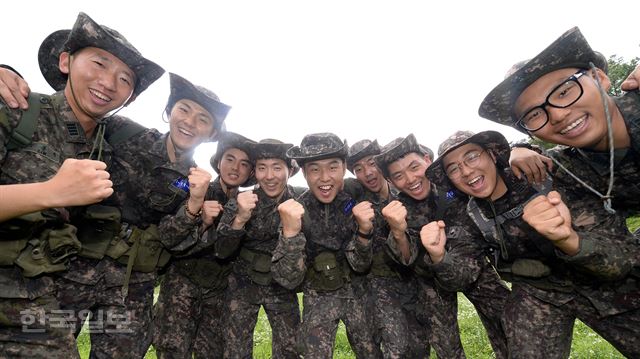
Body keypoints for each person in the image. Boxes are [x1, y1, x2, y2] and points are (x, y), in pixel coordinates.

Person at [0, 11, 163, 359]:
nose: (108, 82)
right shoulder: (15, 110)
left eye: (125, 79)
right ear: (65, 62)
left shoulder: (112, 144)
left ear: (130, 98)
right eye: (99, 64)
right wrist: (50, 192)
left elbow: (168, 154)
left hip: (34, 301)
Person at [424, 129, 640, 358]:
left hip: (600, 279)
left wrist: (524, 148)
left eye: (472, 156)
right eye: (454, 169)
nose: (466, 171)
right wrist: (439, 257)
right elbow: (463, 276)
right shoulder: (469, 216)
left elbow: (620, 256)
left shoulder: (541, 172)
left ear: (491, 154)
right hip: (540, 292)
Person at [479, 26, 640, 219]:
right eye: (534, 114)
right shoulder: (568, 171)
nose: (557, 115)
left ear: (600, 78)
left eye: (563, 92)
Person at [373, 134, 510, 358]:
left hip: (474, 267)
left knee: (508, 324)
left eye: (414, 166)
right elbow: (406, 258)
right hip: (431, 281)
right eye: (398, 175)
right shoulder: (396, 210)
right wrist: (398, 231)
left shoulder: (459, 181)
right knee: (446, 345)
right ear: (390, 182)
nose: (410, 179)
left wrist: (524, 150)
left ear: (427, 159)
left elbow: (496, 170)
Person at [272, 132, 381, 358]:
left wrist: (363, 232)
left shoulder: (359, 197)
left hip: (357, 291)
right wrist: (290, 234)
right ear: (303, 173)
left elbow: (362, 265)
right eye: (314, 169)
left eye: (333, 167)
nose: (324, 178)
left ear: (344, 168)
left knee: (372, 351)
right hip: (319, 294)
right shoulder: (294, 210)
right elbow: (288, 279)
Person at [152, 131, 255, 359]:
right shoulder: (198, 189)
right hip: (181, 287)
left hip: (218, 293)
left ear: (250, 172)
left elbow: (230, 251)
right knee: (172, 350)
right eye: (229, 159)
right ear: (218, 162)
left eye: (244, 164)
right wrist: (202, 221)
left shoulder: (248, 206)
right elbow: (169, 238)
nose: (235, 168)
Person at [214, 138, 304, 358]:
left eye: (277, 167)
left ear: (290, 170)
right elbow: (221, 251)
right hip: (243, 283)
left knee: (289, 349)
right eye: (262, 168)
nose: (269, 176)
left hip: (282, 284)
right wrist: (239, 220)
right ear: (255, 172)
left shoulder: (302, 200)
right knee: (235, 350)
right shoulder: (241, 200)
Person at [343, 139, 429, 358]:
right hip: (377, 285)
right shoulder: (356, 201)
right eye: (358, 169)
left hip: (412, 282)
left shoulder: (408, 190)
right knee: (395, 348)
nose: (368, 173)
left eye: (372, 163)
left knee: (419, 346)